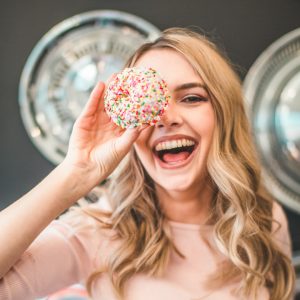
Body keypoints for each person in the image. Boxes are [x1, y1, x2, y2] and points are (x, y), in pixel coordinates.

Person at [0, 27, 295, 300]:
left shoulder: (263, 220)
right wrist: (74, 173)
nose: (166, 118)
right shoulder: (96, 232)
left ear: (224, 115)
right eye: (150, 102)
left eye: (191, 98)